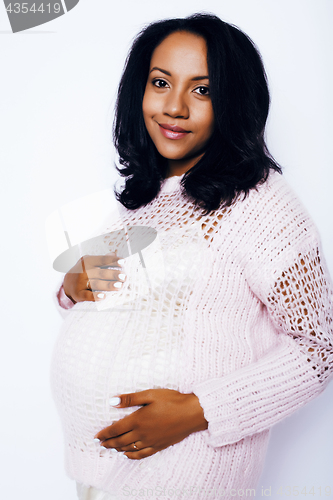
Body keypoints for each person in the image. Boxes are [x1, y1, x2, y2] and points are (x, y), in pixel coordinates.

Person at [51, 13, 333, 500]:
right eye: (160, 82)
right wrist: (71, 287)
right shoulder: (146, 198)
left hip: (184, 470)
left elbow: (319, 349)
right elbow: (122, 302)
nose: (174, 107)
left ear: (234, 102)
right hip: (100, 469)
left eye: (202, 90)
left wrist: (198, 411)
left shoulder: (262, 203)